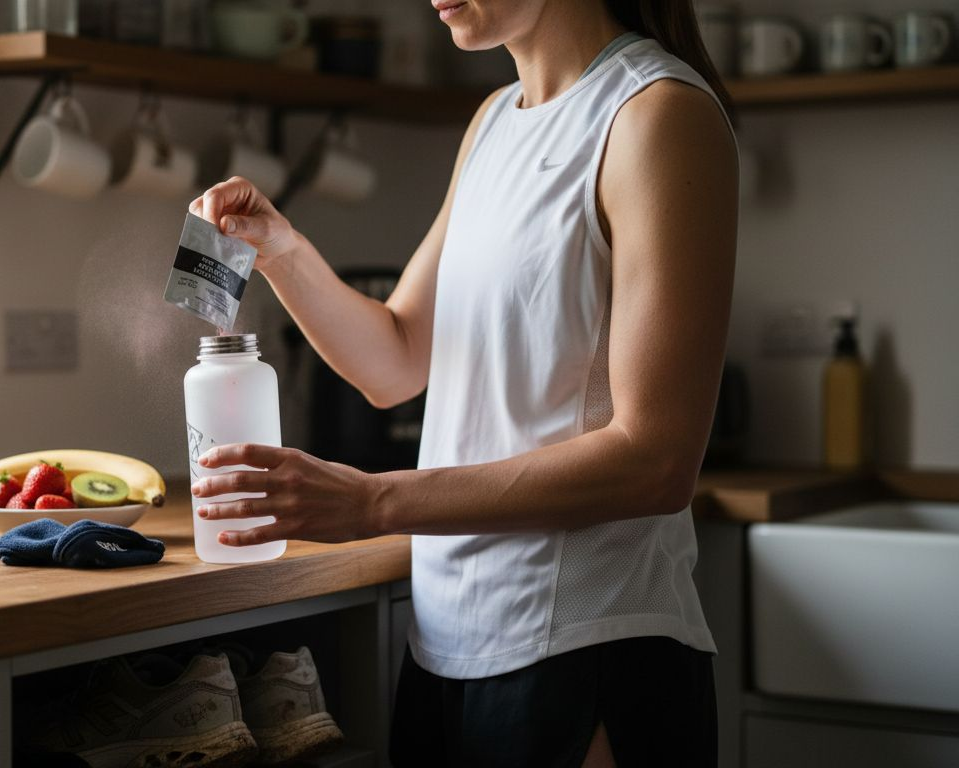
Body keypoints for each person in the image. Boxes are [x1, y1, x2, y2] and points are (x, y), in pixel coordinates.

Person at [189, 0, 738, 764]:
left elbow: (655, 460)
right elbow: (397, 360)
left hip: (589, 644)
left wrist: (373, 500)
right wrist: (281, 250)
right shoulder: (493, 123)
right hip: (446, 643)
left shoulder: (657, 116)